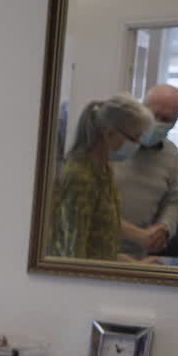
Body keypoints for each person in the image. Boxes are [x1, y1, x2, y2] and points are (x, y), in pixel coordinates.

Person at [52, 94, 154, 261]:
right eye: (134, 138)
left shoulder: (104, 170)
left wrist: (133, 264)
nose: (137, 145)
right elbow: (72, 255)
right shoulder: (80, 176)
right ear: (109, 134)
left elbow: (102, 233)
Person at [114, 84, 178, 260]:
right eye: (153, 114)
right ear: (140, 108)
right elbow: (93, 208)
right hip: (97, 253)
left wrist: (164, 228)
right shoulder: (111, 143)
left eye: (166, 119)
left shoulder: (172, 154)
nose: (157, 122)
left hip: (138, 256)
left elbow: (172, 202)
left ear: (176, 120)